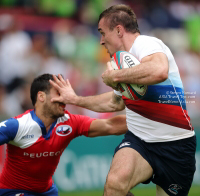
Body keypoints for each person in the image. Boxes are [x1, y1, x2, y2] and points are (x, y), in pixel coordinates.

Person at [49, 4, 196, 196]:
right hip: (140, 142)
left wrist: (116, 77)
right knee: (114, 186)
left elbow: (159, 71)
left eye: (103, 32)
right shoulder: (123, 62)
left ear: (118, 30)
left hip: (176, 145)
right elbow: (114, 102)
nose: (101, 41)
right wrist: (75, 99)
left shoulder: (146, 44)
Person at [0, 73, 129, 196]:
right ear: (41, 96)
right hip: (11, 191)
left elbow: (111, 126)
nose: (65, 99)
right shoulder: (17, 125)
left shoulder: (70, 122)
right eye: (59, 93)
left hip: (46, 192)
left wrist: (146, 119)